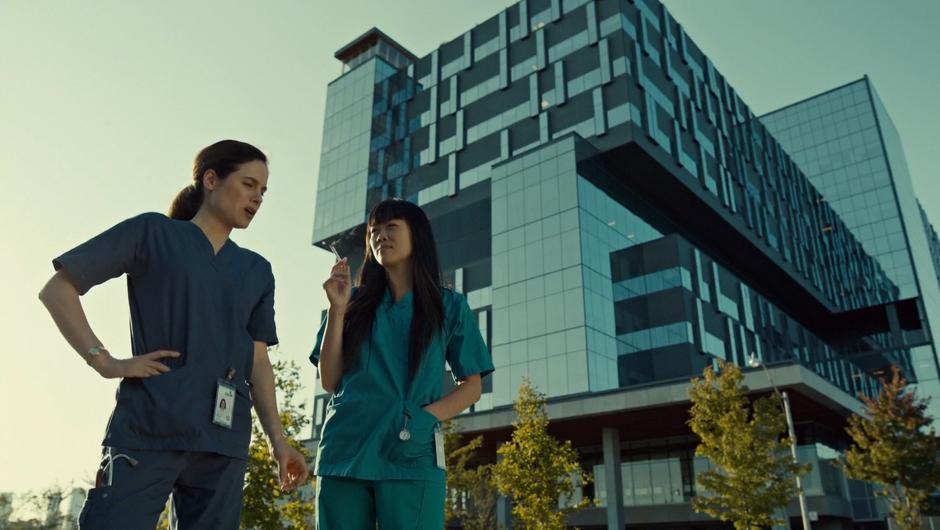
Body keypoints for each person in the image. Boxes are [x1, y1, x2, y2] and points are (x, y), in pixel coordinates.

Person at [39, 139, 308, 529]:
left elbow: (258, 361)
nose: (258, 198)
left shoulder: (256, 270)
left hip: (224, 441)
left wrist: (278, 442)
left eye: (263, 191)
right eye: (249, 184)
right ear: (211, 180)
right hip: (150, 427)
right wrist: (105, 361)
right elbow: (57, 290)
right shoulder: (152, 233)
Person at [310, 198, 494, 529]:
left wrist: (425, 419)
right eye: (373, 231)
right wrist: (337, 310)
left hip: (410, 451)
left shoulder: (448, 306)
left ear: (417, 235)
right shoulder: (348, 303)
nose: (380, 236)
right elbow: (329, 379)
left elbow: (472, 386)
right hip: (345, 452)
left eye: (391, 227)